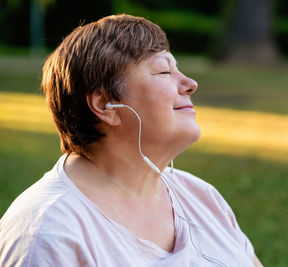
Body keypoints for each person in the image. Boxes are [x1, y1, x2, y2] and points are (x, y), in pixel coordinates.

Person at [0, 14, 263, 267]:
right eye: (163, 71)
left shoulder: (202, 197)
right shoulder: (48, 233)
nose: (190, 83)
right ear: (107, 106)